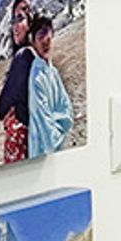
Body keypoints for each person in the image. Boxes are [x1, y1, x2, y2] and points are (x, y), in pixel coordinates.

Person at [25, 12, 76, 159]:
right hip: (41, 153)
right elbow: (47, 132)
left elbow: (69, 113)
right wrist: (60, 122)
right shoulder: (36, 78)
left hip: (57, 151)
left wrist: (57, 121)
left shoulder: (53, 72)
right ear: (33, 42)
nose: (46, 42)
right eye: (40, 36)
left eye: (48, 36)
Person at [0, 0, 37, 166]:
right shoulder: (37, 57)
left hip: (20, 150)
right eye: (13, 20)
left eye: (20, 18)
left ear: (31, 23)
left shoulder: (23, 57)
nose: (15, 26)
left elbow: (1, 109)